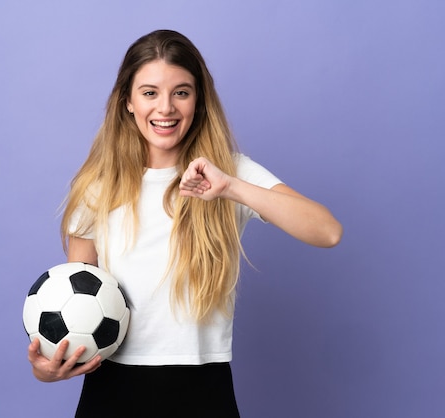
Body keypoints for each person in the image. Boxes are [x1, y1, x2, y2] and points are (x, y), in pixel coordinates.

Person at [27, 29, 342, 417]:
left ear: (198, 100)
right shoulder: (97, 188)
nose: (166, 108)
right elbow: (76, 304)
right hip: (111, 394)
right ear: (127, 101)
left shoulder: (228, 174)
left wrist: (232, 188)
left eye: (181, 92)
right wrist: (48, 370)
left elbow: (328, 231)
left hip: (203, 391)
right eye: (149, 93)